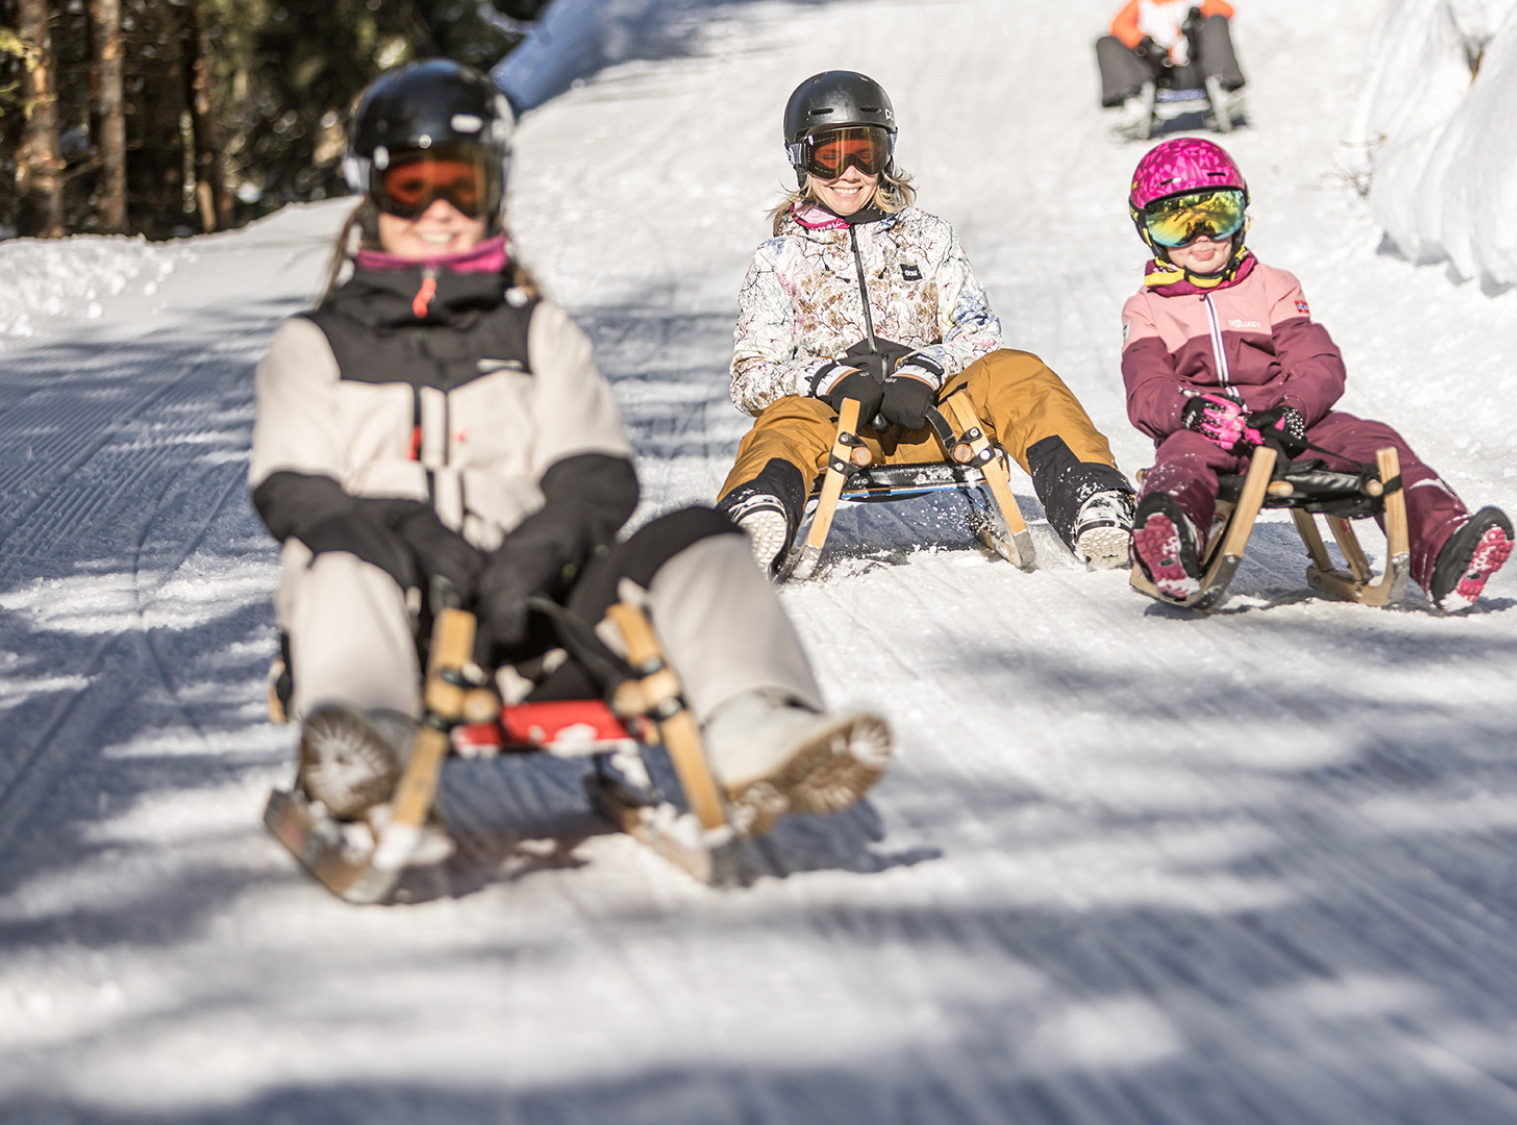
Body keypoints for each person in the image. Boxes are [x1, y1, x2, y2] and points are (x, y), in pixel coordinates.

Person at [249, 59, 889, 841]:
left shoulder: (536, 333)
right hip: (394, 630)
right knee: (338, 560)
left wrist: (536, 550)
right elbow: (296, 491)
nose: (442, 211)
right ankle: (368, 745)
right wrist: (408, 537)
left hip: (535, 615)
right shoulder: (316, 345)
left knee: (703, 539)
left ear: (495, 191)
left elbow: (595, 473)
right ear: (376, 191)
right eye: (417, 187)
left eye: (466, 185)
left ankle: (757, 725)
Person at [719, 70, 1135, 574]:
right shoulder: (777, 260)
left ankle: (1094, 500)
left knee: (1017, 372)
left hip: (937, 418)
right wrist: (827, 378)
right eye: (830, 155)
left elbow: (978, 329)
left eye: (865, 153)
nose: (850, 172)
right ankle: (755, 518)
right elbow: (751, 377)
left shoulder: (929, 237)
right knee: (783, 420)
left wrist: (926, 368)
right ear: (801, 158)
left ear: (885, 155)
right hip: (838, 431)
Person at [1117, 138, 1515, 610]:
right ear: (1149, 231)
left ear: (1242, 216)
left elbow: (1317, 362)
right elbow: (1147, 388)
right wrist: (1191, 412)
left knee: (1376, 441)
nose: (1201, 236)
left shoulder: (1273, 285)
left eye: (1216, 215)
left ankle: (1445, 547)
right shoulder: (1146, 309)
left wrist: (1294, 410)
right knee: (1181, 460)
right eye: (1176, 223)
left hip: (1293, 428)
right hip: (1209, 434)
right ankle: (1172, 544)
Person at [1095, 0, 1246, 110]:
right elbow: (1118, 25)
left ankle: (1223, 88)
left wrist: (1198, 13)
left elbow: (1227, 9)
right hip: (1158, 72)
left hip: (1196, 67)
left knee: (1216, 21)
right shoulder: (1141, 4)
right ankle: (1133, 103)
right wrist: (1144, 42)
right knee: (1107, 42)